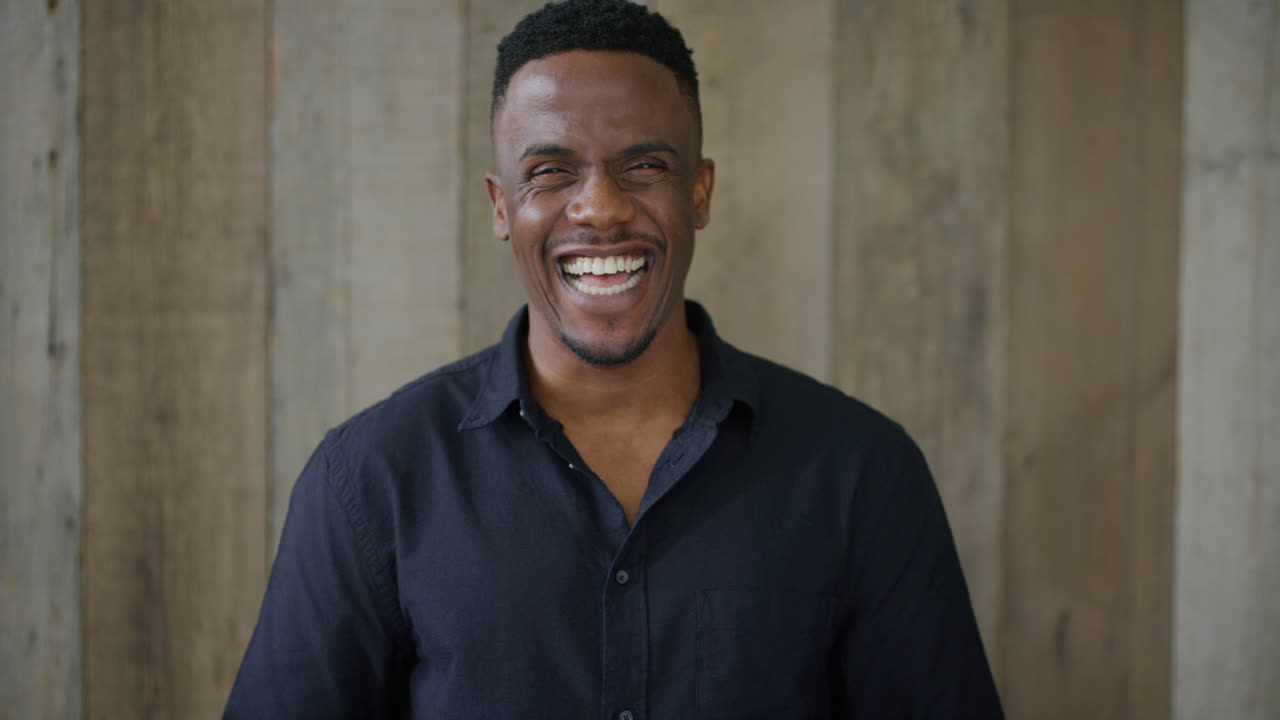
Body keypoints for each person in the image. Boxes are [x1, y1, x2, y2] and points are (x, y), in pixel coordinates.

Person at [224, 1, 1005, 717]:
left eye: (644, 166)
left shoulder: (860, 473)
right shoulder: (371, 480)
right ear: (501, 207)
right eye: (550, 172)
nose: (599, 207)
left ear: (699, 193)